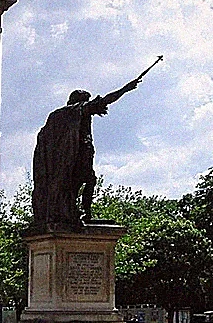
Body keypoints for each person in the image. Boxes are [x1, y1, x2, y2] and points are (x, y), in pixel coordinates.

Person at [31, 78, 140, 230]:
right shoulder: (76, 110)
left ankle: (79, 212)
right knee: (84, 181)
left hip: (75, 155)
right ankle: (80, 212)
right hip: (77, 155)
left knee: (84, 181)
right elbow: (106, 100)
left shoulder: (57, 116)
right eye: (86, 100)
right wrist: (125, 89)